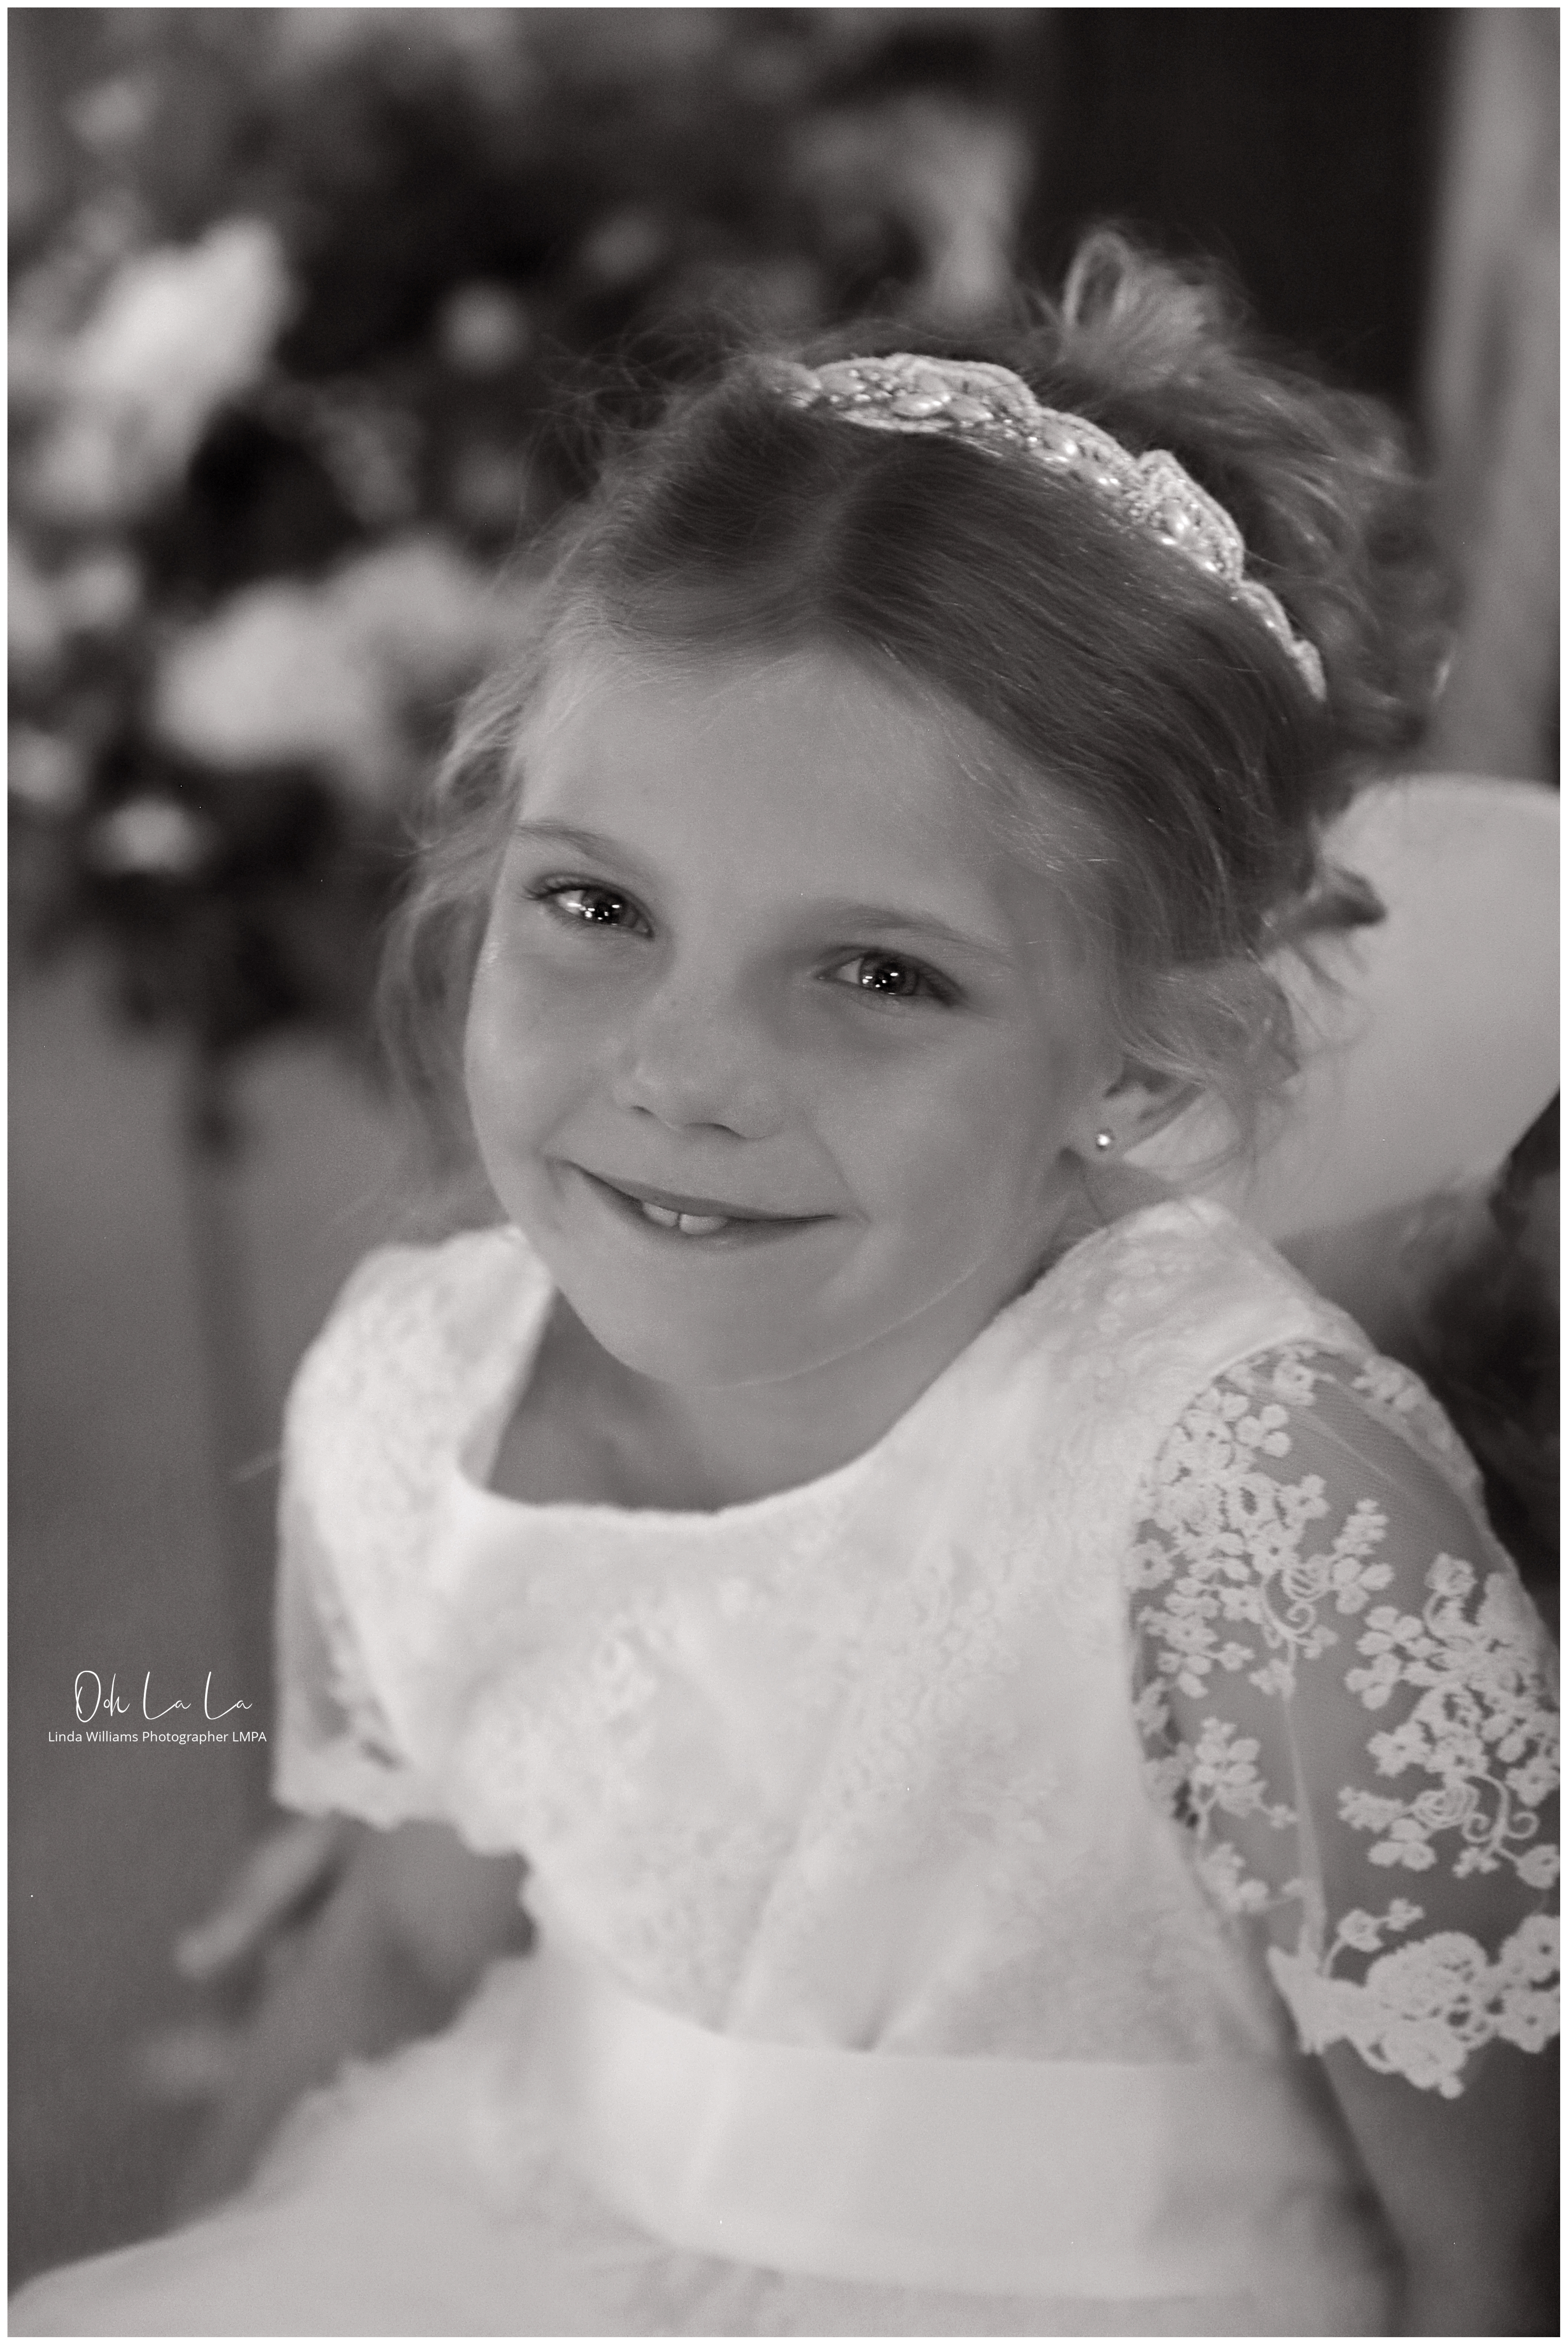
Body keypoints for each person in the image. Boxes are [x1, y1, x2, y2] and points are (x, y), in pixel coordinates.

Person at [14, 231, 1557, 2337]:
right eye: (596, 906)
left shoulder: (1254, 1516)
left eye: (881, 972)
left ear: (1136, 1057)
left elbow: (1510, 2262)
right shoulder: (423, 1391)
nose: (685, 1073)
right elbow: (396, 1944)